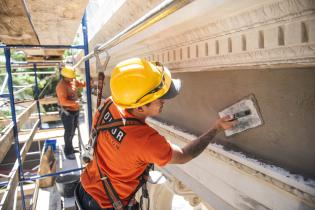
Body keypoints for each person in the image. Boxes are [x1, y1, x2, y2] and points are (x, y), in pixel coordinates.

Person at [78, 58, 236, 210]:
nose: (164, 101)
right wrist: (216, 128)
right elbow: (183, 155)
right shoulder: (146, 141)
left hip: (85, 188)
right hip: (105, 205)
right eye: (160, 98)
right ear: (140, 108)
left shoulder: (110, 103)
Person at [56, 66, 86, 160]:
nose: (73, 78)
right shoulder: (61, 86)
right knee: (69, 132)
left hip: (74, 110)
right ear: (65, 77)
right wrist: (76, 103)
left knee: (73, 131)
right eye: (71, 77)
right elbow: (63, 102)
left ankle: (71, 148)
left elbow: (81, 84)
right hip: (67, 112)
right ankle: (68, 151)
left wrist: (90, 82)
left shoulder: (72, 81)